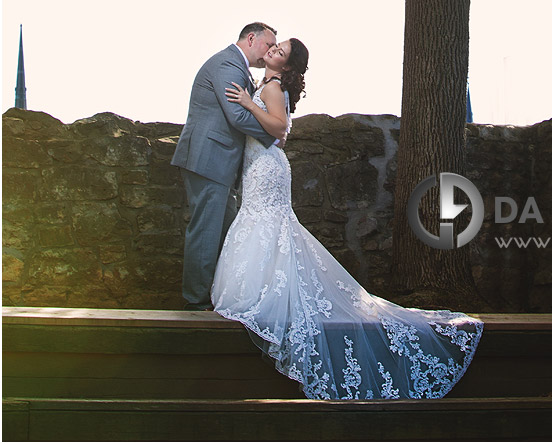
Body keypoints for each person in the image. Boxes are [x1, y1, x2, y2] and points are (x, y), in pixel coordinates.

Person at [212, 39, 483, 400]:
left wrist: (247, 103)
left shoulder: (273, 87)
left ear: (288, 66)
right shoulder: (263, 84)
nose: (274, 49)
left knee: (269, 225)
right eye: (274, 46)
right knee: (260, 225)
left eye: (282, 50)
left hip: (268, 168)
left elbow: (280, 130)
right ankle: (258, 292)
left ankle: (268, 298)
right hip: (255, 167)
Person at [172, 21, 279, 310]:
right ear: (251, 38)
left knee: (228, 232)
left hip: (218, 164)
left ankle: (220, 297)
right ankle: (195, 304)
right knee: (206, 233)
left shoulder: (238, 68)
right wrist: (273, 133)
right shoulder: (228, 65)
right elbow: (236, 116)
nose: (270, 52)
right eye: (268, 45)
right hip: (208, 160)